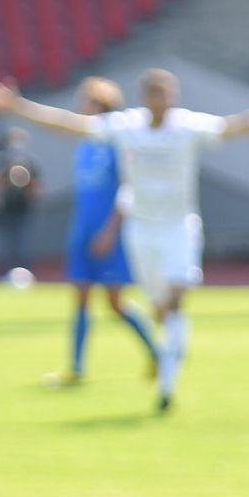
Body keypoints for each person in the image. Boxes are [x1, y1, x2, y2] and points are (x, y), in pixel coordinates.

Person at [0, 69, 249, 412]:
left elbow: (238, 125)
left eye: (170, 94)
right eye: (159, 94)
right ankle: (169, 339)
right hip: (141, 231)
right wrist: (19, 107)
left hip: (179, 226)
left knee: (175, 300)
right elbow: (70, 124)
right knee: (159, 308)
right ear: (146, 98)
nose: (166, 101)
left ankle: (166, 385)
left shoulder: (186, 127)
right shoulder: (127, 127)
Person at [47, 76, 160, 388]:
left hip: (107, 233)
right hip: (83, 229)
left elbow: (128, 189)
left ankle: (158, 352)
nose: (82, 106)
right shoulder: (85, 144)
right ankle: (76, 367)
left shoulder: (117, 143)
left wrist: (111, 230)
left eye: (88, 101)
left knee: (114, 302)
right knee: (80, 296)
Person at [0, 126, 39, 276]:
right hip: (6, 208)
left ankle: (25, 273)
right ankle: (3, 274)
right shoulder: (3, 160)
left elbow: (37, 187)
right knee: (6, 244)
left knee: (23, 243)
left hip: (23, 208)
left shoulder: (30, 161)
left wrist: (27, 183)